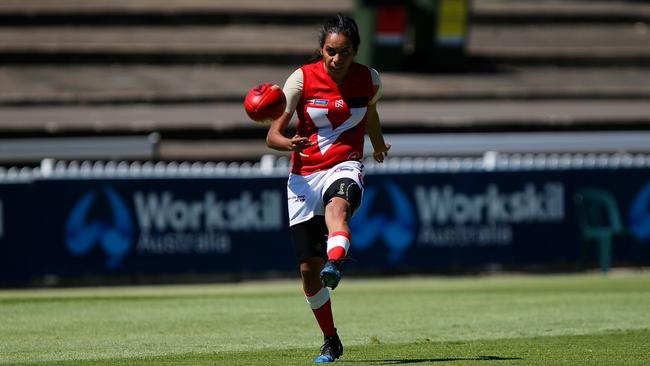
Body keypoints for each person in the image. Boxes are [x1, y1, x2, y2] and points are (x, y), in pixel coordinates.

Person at [266, 13, 390, 363]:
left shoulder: (370, 79)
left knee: (339, 209)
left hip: (345, 164)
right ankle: (331, 340)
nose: (337, 59)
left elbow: (371, 113)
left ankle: (335, 263)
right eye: (331, 52)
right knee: (307, 271)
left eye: (345, 52)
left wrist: (378, 145)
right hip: (304, 175)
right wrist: (287, 142)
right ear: (321, 50)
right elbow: (272, 134)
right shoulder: (301, 79)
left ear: (355, 51)